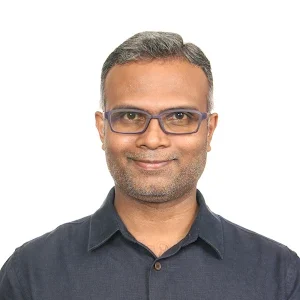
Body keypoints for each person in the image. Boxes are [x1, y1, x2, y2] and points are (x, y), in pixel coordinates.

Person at [0, 31, 299, 300]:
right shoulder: (30, 273)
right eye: (130, 116)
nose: (153, 139)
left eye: (179, 117)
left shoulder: (279, 275)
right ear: (102, 129)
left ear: (209, 130)